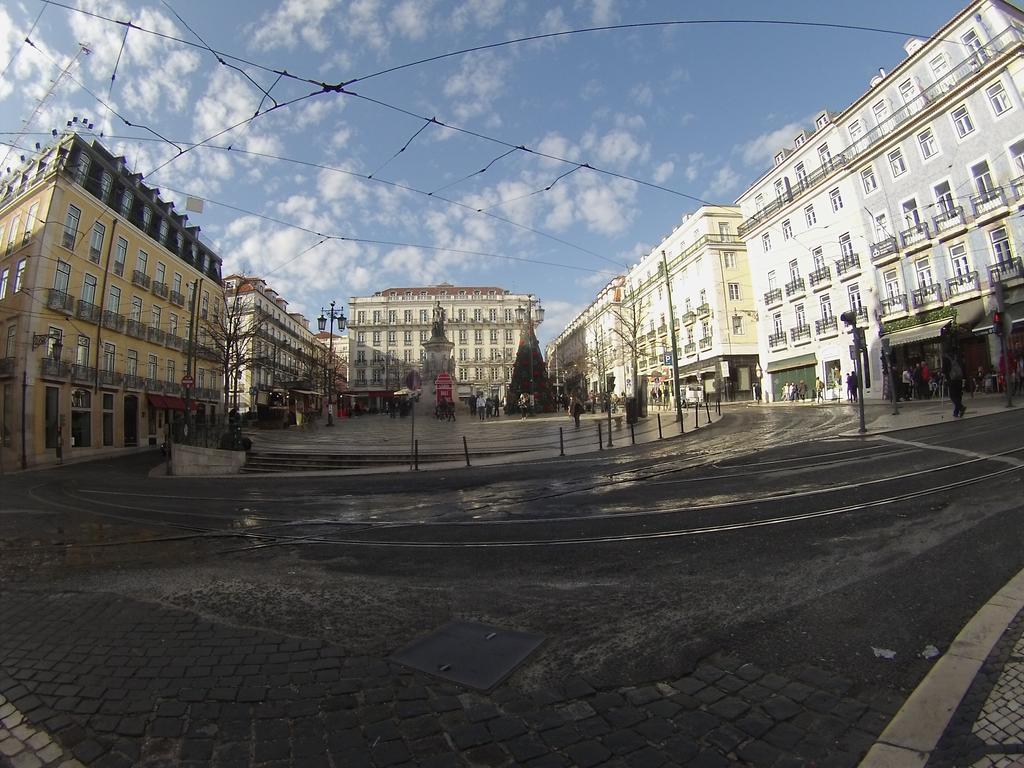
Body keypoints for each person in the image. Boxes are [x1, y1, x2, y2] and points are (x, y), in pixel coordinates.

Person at [945, 351, 966, 418]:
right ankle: (956, 412)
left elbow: (944, 370)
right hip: (959, 379)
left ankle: (960, 407)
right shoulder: (958, 355)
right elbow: (963, 365)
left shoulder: (946, 357)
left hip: (951, 379)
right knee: (958, 395)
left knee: (952, 396)